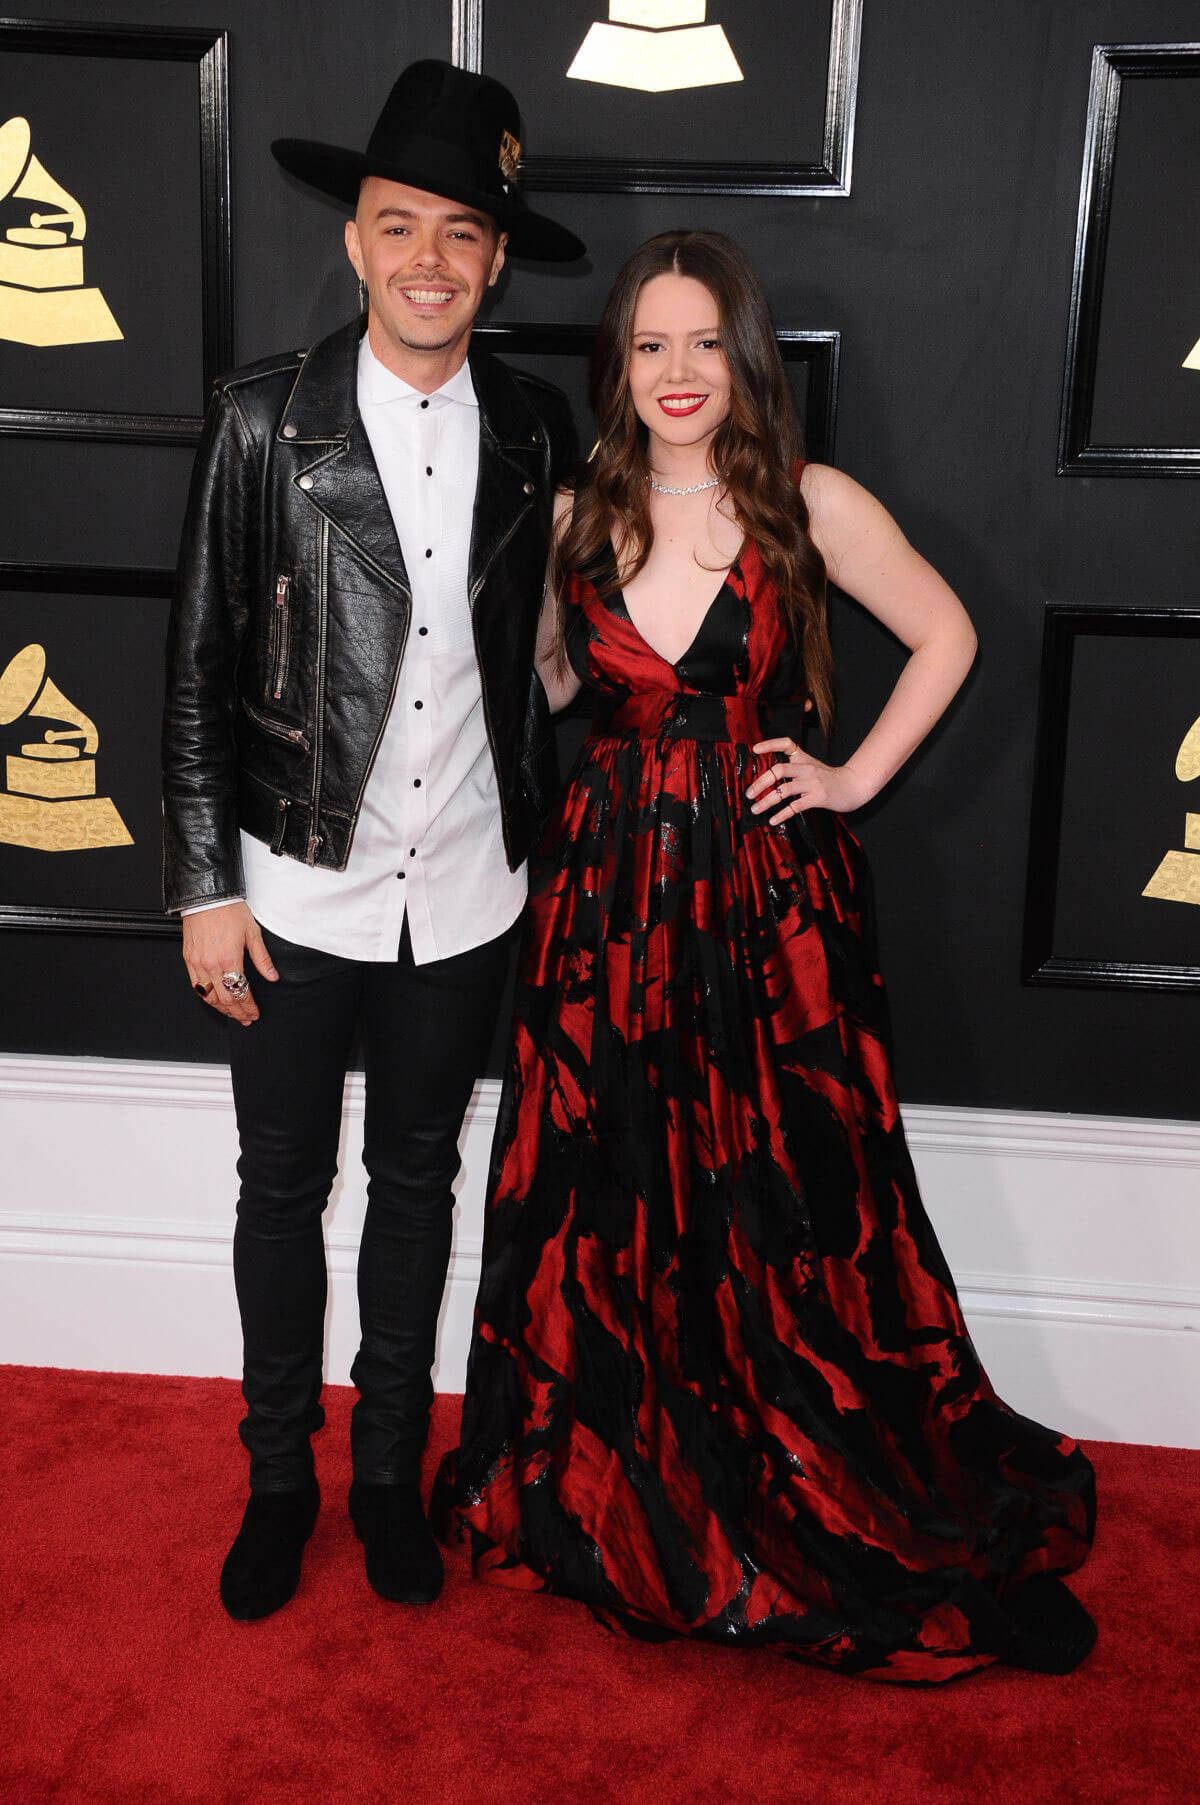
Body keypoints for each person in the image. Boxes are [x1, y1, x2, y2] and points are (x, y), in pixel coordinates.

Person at [435, 230, 1097, 1683]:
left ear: (746, 356)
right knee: (613, 1184)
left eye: (703, 342)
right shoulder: (574, 516)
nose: (678, 372)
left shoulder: (811, 502)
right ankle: (640, 1468)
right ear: (620, 365)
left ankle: (827, 1474)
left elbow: (948, 633)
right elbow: (549, 685)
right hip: (606, 909)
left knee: (794, 1189)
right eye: (650, 346)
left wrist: (852, 776)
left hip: (768, 908)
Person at [161, 60, 583, 1623]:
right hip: (288, 893)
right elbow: (197, 669)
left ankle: (391, 1477)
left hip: (465, 891)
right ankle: (282, 1478)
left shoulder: (539, 431)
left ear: (491, 259)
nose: (428, 260)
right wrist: (205, 885)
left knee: (419, 1183)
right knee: (284, 1189)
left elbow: (543, 653)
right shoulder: (262, 421)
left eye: (461, 233)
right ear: (354, 239)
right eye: (400, 225)